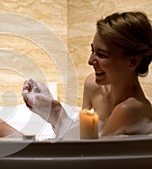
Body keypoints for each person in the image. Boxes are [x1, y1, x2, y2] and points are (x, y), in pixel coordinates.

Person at [22, 11, 152, 137]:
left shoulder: (129, 109)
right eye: (92, 51)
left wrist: (55, 112)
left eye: (101, 54)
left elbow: (91, 153)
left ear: (133, 62)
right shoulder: (93, 86)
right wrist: (52, 109)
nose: (90, 61)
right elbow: (78, 141)